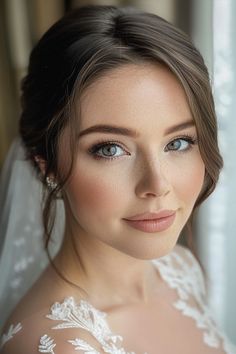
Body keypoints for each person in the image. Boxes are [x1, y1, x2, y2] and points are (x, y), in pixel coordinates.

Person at [0, 4, 235, 354]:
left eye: (179, 142)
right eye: (110, 149)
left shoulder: (179, 270)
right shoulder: (56, 345)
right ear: (46, 164)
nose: (157, 184)